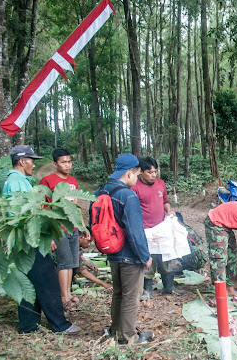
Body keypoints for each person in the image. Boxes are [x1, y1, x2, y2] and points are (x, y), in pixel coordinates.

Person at [3, 145, 81, 335]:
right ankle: (59, 324)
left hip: (23, 242)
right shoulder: (17, 181)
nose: (33, 165)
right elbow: (22, 214)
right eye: (31, 161)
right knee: (48, 282)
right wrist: (41, 236)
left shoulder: (17, 180)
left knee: (29, 283)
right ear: (23, 161)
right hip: (30, 241)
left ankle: (29, 325)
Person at [94, 153, 153, 345]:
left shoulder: (101, 191)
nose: (137, 180)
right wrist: (145, 256)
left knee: (118, 292)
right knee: (131, 296)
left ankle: (115, 329)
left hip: (112, 252)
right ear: (130, 173)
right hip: (129, 254)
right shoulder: (128, 195)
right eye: (136, 175)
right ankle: (128, 337)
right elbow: (135, 231)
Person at [131, 157, 181, 300]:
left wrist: (168, 211)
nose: (153, 175)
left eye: (155, 171)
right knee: (149, 260)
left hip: (161, 228)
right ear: (140, 172)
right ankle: (147, 290)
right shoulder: (135, 187)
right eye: (149, 172)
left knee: (166, 256)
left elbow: (165, 200)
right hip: (145, 230)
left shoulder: (160, 184)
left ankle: (169, 287)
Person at [40, 148, 83, 311]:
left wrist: (81, 225)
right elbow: (43, 207)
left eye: (69, 161)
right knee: (64, 262)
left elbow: (76, 204)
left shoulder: (73, 180)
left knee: (72, 262)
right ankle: (64, 298)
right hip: (58, 227)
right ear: (55, 163)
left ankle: (68, 292)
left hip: (72, 226)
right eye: (63, 162)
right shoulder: (47, 181)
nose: (67, 165)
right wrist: (49, 235)